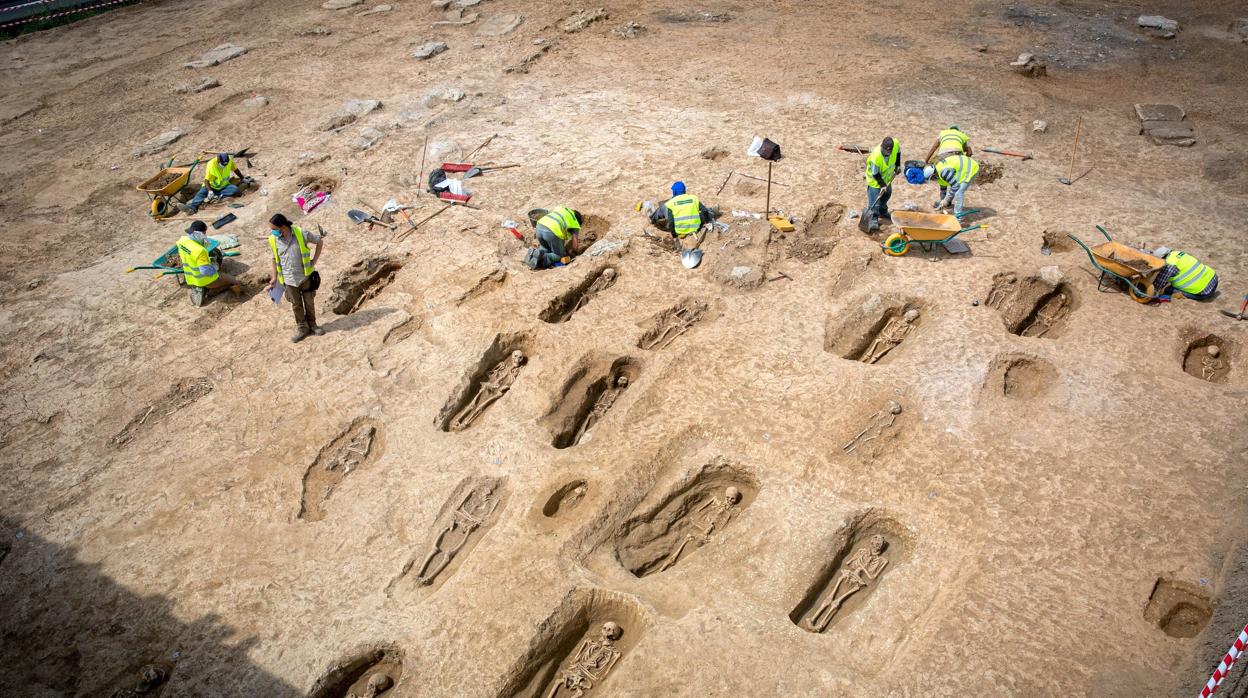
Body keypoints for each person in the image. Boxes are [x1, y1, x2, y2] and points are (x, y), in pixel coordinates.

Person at [266, 213, 325, 342]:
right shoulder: (273, 240)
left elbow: (319, 241)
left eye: (274, 229)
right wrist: (274, 277)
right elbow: (274, 259)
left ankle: (313, 325)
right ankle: (302, 328)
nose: (272, 232)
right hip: (288, 280)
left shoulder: (301, 233)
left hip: (305, 276)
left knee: (309, 302)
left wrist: (314, 260)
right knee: (296, 305)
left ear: (283, 227)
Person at [176, 221, 241, 297]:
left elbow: (190, 256)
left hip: (190, 278)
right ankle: (212, 291)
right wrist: (214, 268)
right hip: (204, 280)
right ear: (198, 233)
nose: (205, 235)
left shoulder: (181, 241)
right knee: (234, 281)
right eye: (204, 233)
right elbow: (205, 271)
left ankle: (207, 288)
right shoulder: (199, 251)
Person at [648, 181, 713, 249]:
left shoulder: (671, 203)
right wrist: (705, 222)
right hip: (695, 228)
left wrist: (674, 236)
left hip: (680, 230)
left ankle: (652, 219)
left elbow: (671, 222)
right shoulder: (693, 198)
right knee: (704, 212)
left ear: (675, 191)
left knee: (662, 209)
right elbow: (705, 211)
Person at [183, 152, 250, 214]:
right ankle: (192, 208)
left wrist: (242, 178)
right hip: (211, 186)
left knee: (235, 190)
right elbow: (206, 181)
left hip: (224, 186)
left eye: (225, 164)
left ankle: (215, 197)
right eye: (222, 164)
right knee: (201, 193)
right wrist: (210, 191)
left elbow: (235, 169)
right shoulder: (211, 164)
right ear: (218, 159)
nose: (224, 166)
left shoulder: (229, 160)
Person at [1151, 246, 1219, 301]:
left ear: (1162, 258)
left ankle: (1184, 295)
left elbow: (1156, 287)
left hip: (1203, 292)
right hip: (1214, 279)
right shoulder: (1177, 253)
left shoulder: (1168, 265)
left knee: (1167, 289)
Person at [862, 137, 900, 233]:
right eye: (884, 150)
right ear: (882, 146)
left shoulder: (895, 144)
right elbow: (875, 174)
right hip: (875, 181)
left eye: (888, 152)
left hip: (887, 177)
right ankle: (874, 218)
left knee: (887, 193)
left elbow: (898, 152)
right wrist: (882, 185)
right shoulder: (876, 157)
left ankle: (882, 211)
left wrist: (898, 164)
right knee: (875, 200)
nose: (886, 153)